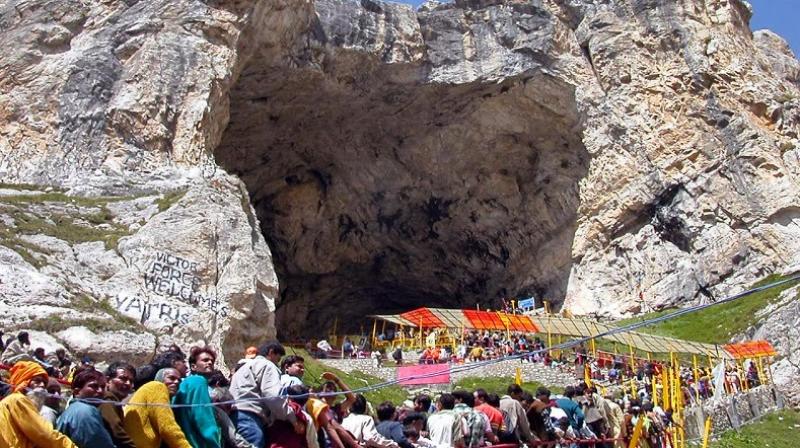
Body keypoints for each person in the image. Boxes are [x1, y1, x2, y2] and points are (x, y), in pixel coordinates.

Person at [230, 341, 302, 448]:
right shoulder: (268, 365)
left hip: (233, 418)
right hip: (251, 418)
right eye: (278, 359)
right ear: (271, 352)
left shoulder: (243, 367)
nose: (277, 363)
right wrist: (292, 419)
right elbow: (273, 397)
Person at [0, 361, 77, 448]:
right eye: (37, 381)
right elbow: (44, 434)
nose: (42, 385)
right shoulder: (17, 399)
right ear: (24, 382)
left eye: (44, 383)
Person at [123, 368, 192, 448]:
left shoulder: (148, 390)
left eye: (179, 380)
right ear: (160, 379)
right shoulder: (157, 387)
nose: (176, 382)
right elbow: (167, 426)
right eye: (171, 378)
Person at [57, 367, 117, 447]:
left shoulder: (72, 410)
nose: (100, 391)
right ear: (77, 392)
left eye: (102, 387)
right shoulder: (85, 412)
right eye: (94, 386)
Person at [174, 350, 222, 448]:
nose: (210, 363)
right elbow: (203, 419)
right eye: (205, 360)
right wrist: (214, 443)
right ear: (193, 367)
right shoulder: (198, 382)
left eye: (212, 361)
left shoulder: (186, 383)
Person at [99, 361, 137, 448]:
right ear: (108, 380)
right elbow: (116, 430)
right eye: (123, 378)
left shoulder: (115, 402)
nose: (128, 383)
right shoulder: (108, 399)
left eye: (131, 381)